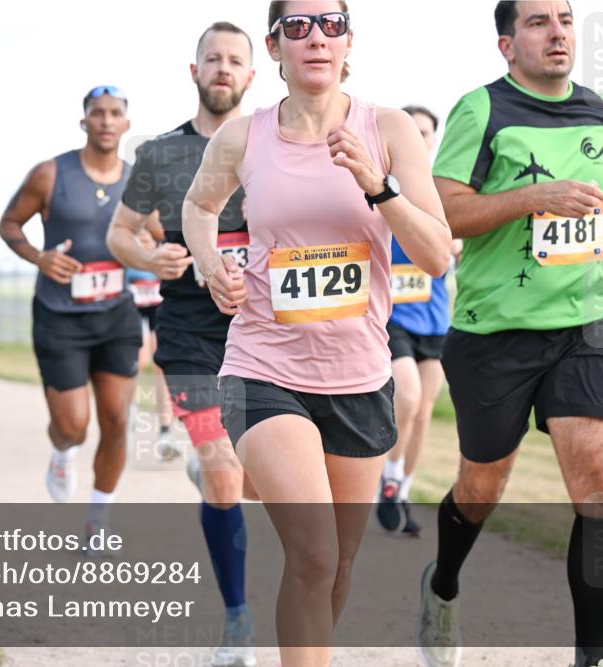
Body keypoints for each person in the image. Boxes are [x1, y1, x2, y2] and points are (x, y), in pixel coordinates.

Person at [182, 3, 452, 666]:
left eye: (330, 23)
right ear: (275, 45)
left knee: (337, 566)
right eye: (297, 26)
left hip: (360, 376)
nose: (316, 38)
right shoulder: (243, 138)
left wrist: (377, 185)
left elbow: (437, 255)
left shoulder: (388, 129)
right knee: (313, 552)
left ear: (349, 40)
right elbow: (198, 205)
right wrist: (211, 263)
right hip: (263, 366)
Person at [416, 3, 603, 667]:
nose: (558, 31)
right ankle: (442, 585)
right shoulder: (481, 109)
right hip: (494, 331)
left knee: (601, 489)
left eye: (565, 18)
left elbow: (597, 181)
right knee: (481, 488)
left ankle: (591, 657)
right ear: (507, 44)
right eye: (539, 21)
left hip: (583, 322)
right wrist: (533, 198)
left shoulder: (596, 108)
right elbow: (443, 210)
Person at [108, 22, 261, 667]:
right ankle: (237, 621)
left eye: (234, 60)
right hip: (192, 332)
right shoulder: (160, 154)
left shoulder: (277, 144)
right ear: (194, 71)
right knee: (225, 477)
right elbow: (120, 233)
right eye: (212, 59)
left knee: (260, 480)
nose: (222, 68)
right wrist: (151, 257)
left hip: (267, 332)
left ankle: (213, 467)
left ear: (252, 74)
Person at [0, 86, 141, 549]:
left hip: (116, 316)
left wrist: (156, 250)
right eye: (97, 113)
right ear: (84, 122)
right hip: (60, 317)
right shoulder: (50, 173)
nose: (106, 121)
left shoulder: (138, 181)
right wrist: (39, 258)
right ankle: (62, 452)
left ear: (126, 124)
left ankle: (97, 520)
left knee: (117, 419)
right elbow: (9, 224)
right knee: (73, 426)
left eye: (115, 113)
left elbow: (157, 232)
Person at [375, 105, 462, 537]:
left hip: (435, 320)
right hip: (392, 317)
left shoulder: (442, 191)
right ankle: (389, 478)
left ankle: (403, 492)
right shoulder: (378, 185)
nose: (418, 137)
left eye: (425, 132)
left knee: (424, 412)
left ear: (432, 140)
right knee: (406, 397)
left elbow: (454, 242)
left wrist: (456, 245)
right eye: (411, 130)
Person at [124, 231, 175, 461]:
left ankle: (165, 432)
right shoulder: (124, 218)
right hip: (131, 291)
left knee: (160, 363)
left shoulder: (161, 218)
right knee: (136, 359)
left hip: (157, 292)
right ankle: (128, 410)